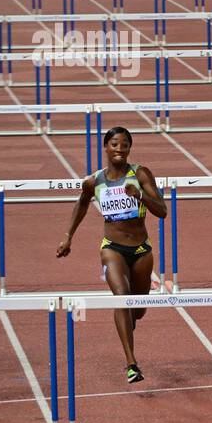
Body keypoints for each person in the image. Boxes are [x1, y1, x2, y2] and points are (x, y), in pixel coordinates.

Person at [56, 127, 167, 385]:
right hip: (112, 249)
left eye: (125, 145)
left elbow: (162, 211)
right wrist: (68, 236)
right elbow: (82, 203)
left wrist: (139, 195)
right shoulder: (94, 182)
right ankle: (131, 363)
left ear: (130, 149)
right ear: (105, 148)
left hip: (141, 251)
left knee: (137, 310)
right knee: (122, 299)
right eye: (115, 144)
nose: (119, 149)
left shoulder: (140, 174)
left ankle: (129, 323)